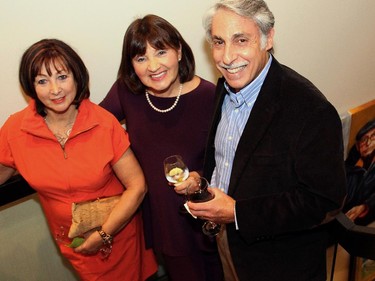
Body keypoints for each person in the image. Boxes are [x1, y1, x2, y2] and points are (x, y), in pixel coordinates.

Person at [183, 1, 347, 280]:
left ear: (267, 38)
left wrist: (237, 213)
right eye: (219, 42)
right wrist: (205, 181)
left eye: (241, 40)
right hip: (229, 247)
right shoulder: (225, 86)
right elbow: (232, 157)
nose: (227, 57)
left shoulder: (311, 110)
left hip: (280, 264)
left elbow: (325, 201)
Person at [0, 39, 157, 281]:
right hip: (73, 240)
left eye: (62, 77)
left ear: (77, 76)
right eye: (42, 81)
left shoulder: (103, 123)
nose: (55, 90)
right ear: (30, 86)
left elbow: (138, 186)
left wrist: (104, 234)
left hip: (117, 237)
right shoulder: (15, 129)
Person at [100, 15, 223, 281]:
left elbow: (228, 158)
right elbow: (95, 125)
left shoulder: (210, 97)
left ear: (178, 51)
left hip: (207, 218)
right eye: (141, 58)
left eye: (161, 51)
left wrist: (198, 179)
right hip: (164, 220)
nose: (153, 66)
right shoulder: (127, 92)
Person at [344, 118, 375, 226]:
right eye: (363, 139)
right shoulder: (354, 168)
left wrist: (364, 206)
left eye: (373, 136)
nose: (368, 143)